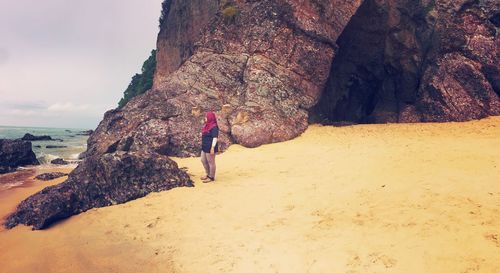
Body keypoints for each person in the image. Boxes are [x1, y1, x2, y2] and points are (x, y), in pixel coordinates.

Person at [200, 111, 219, 182]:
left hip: (210, 147)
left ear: (210, 118)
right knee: (203, 160)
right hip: (204, 146)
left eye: (206, 117)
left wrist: (213, 147)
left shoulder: (214, 127)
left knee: (211, 162)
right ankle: (207, 174)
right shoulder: (207, 125)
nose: (205, 118)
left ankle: (211, 177)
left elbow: (215, 138)